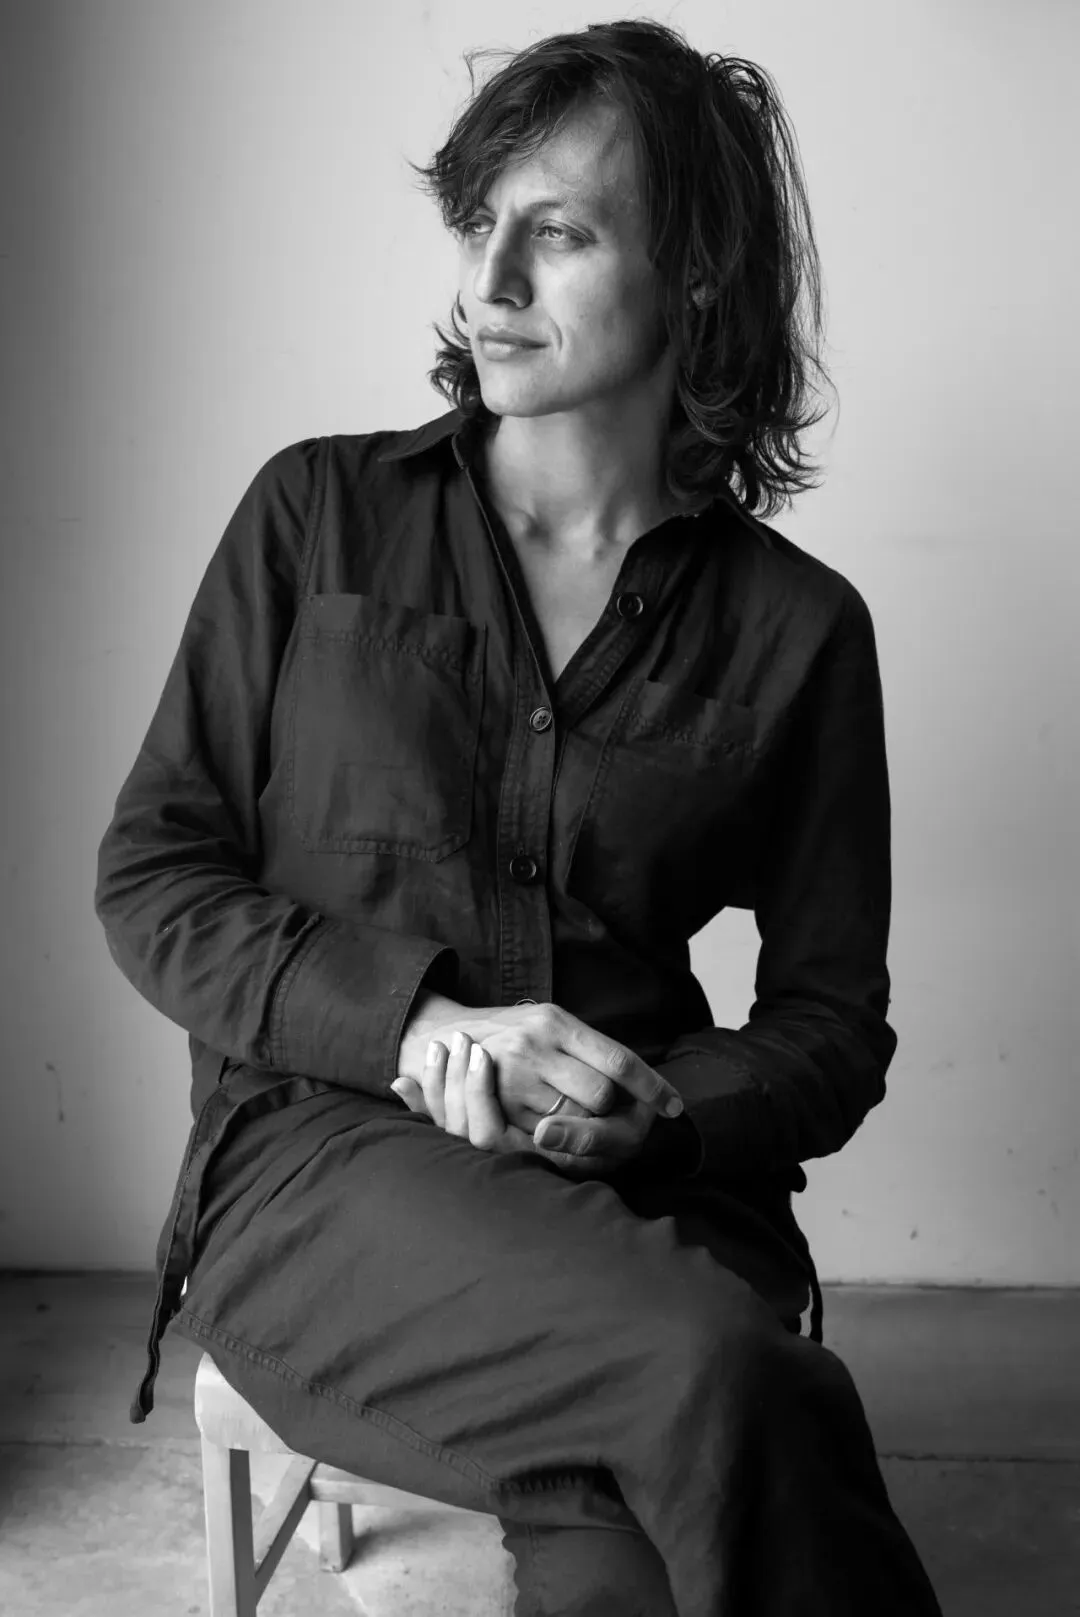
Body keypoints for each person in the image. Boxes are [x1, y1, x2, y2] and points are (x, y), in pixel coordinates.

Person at [94, 18, 944, 1616]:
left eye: (557, 234)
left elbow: (834, 1024)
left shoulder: (799, 630)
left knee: (625, 1561)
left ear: (697, 278)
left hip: (646, 1198)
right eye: (479, 225)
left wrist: (666, 1118)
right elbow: (154, 874)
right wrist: (412, 1025)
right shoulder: (316, 516)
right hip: (328, 1169)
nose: (487, 284)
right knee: (722, 1376)